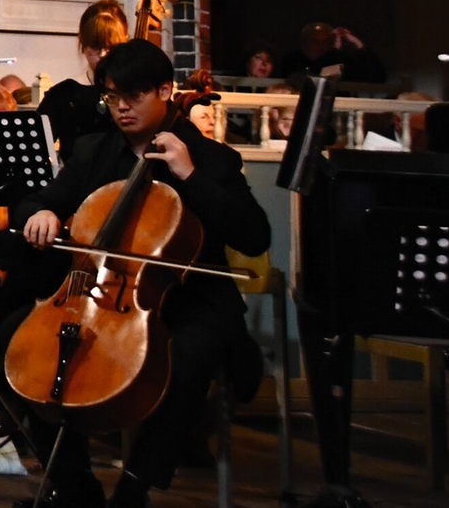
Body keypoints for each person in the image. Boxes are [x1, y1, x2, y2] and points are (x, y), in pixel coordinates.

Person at [14, 39, 271, 508]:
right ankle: (76, 486)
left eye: (134, 96)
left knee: (188, 354)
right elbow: (40, 200)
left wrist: (190, 175)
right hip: (102, 295)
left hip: (191, 298)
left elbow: (255, 236)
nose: (121, 108)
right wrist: (42, 213)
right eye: (112, 97)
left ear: (166, 91)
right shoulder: (94, 151)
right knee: (24, 349)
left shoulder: (211, 159)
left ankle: (136, 484)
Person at [37, 0, 129, 155]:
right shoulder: (62, 96)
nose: (103, 54)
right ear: (82, 44)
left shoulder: (133, 94)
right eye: (95, 46)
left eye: (111, 46)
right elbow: (36, 146)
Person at [278, 22, 386, 84]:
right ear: (304, 42)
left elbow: (376, 77)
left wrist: (358, 45)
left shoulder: (342, 61)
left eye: (325, 42)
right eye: (315, 41)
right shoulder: (291, 60)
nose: (320, 46)